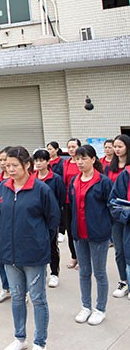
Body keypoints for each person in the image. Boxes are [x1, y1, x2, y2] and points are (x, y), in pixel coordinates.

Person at [0, 146, 60, 350]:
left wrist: (40, 241)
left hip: (33, 255)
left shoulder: (41, 189)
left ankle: (40, 342)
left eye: (15, 165)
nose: (10, 169)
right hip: (9, 255)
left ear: (27, 165)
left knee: (38, 299)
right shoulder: (2, 188)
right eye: (7, 165)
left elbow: (53, 219)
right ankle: (20, 338)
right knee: (17, 297)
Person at [69, 145, 113, 326]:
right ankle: (85, 306)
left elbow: (112, 207)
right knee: (84, 272)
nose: (80, 162)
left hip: (98, 234)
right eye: (77, 158)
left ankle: (100, 308)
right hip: (79, 233)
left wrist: (105, 228)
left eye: (84, 158)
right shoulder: (74, 180)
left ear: (93, 160)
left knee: (99, 273)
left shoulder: (103, 182)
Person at [32, 149, 65, 288]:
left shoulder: (55, 179)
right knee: (37, 245)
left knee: (52, 246)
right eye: (36, 160)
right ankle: (41, 272)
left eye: (41, 160)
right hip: (35, 217)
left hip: (50, 218)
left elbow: (61, 198)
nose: (38, 163)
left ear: (48, 161)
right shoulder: (31, 177)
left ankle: (54, 273)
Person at [106, 134, 130, 298]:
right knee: (119, 250)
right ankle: (123, 280)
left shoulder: (128, 169)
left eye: (120, 146)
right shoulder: (110, 167)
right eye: (115, 146)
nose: (117, 149)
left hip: (127, 212)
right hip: (116, 213)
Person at [0, 147, 13, 303]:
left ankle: (21, 290)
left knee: (18, 261)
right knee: (3, 259)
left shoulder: (18, 180)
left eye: (6, 159)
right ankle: (6, 288)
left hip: (16, 226)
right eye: (1, 160)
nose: (3, 162)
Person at [62, 138, 82, 269]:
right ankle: (74, 256)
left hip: (80, 201)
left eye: (73, 147)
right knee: (69, 229)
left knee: (80, 229)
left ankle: (83, 258)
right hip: (68, 201)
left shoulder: (82, 162)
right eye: (69, 147)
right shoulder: (66, 163)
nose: (71, 149)